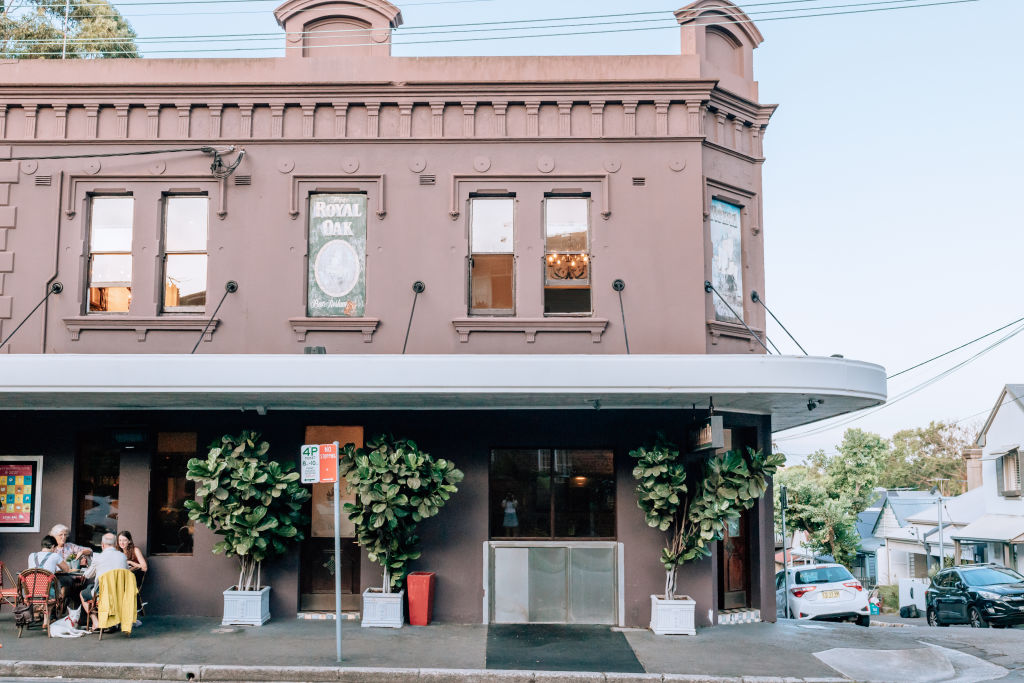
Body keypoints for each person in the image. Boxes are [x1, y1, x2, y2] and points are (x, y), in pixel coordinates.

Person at [80, 533, 128, 630]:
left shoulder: (98, 558)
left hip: (102, 595)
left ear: (102, 544)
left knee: (83, 594)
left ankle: (96, 622)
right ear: (115, 544)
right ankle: (114, 621)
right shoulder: (123, 557)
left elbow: (88, 575)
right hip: (120, 595)